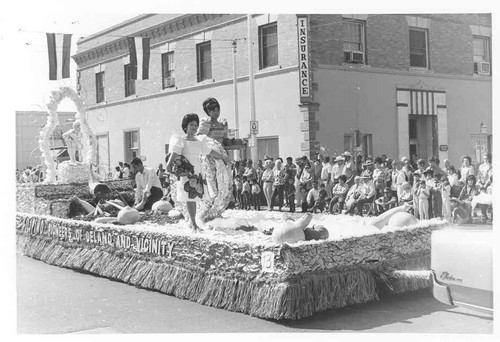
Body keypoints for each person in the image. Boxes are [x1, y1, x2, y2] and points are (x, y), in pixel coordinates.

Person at [165, 113, 229, 231]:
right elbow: (174, 152)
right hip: (186, 171)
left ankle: (193, 221)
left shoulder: (199, 141)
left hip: (197, 171)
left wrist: (222, 157)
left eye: (195, 125)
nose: (194, 127)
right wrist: (169, 164)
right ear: (185, 127)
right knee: (190, 197)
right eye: (191, 125)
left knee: (194, 197)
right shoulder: (181, 140)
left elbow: (210, 151)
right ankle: (193, 223)